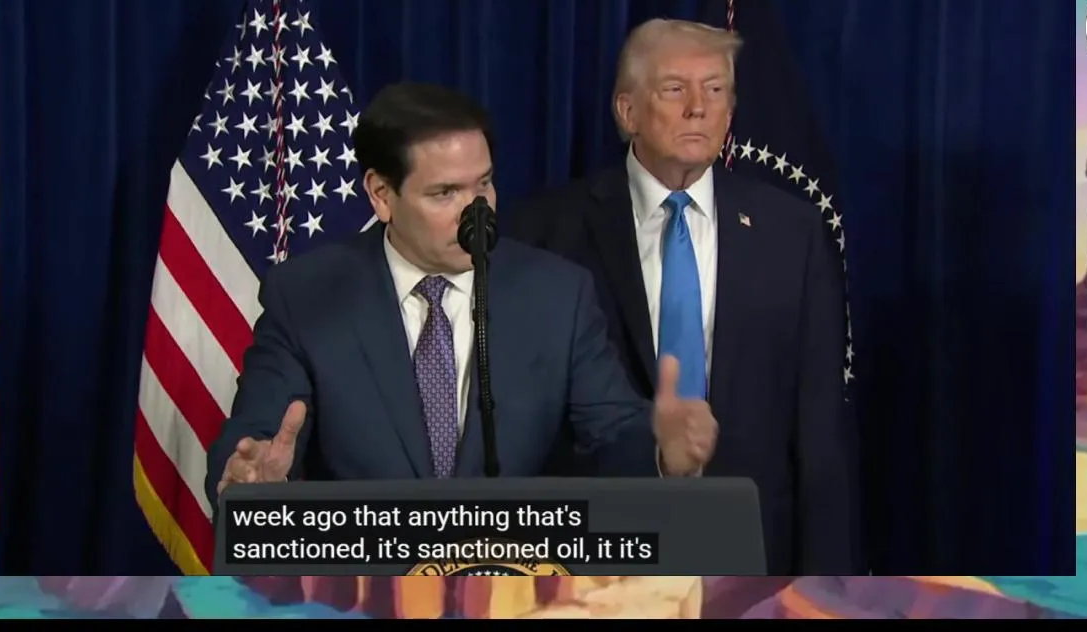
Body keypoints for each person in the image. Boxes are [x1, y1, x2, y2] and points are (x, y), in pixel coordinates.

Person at [206, 82, 720, 506]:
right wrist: (248, 480)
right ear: (382, 195)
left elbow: (612, 433)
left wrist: (661, 451)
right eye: (445, 193)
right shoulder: (308, 296)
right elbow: (257, 438)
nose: (477, 212)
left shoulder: (556, 295)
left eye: (484, 185)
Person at [506, 19, 861, 575]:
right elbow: (528, 421)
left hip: (754, 549)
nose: (699, 107)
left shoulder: (792, 232)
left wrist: (828, 583)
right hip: (600, 552)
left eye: (715, 89)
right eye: (675, 89)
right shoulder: (546, 232)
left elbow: (819, 428)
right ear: (627, 111)